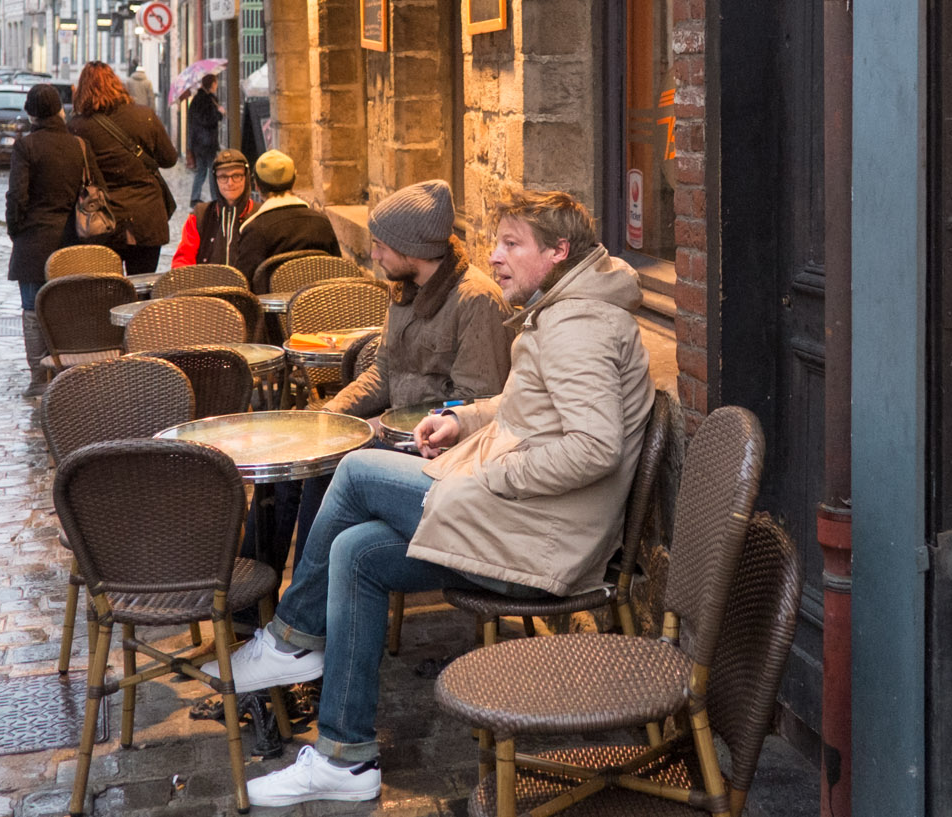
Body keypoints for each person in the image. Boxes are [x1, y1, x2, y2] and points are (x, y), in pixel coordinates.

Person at [209, 191, 654, 807]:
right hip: (525, 523)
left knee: (358, 469)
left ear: (558, 252)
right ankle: (344, 756)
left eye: (511, 244)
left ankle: (291, 639)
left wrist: (487, 478)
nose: (494, 257)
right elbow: (529, 405)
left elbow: (593, 450)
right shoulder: (564, 310)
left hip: (542, 544)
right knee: (357, 551)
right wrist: (465, 421)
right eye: (496, 241)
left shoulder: (578, 325)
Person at [277, 179, 515, 558]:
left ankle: (310, 598)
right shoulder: (405, 288)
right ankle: (251, 601)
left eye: (382, 246)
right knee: (293, 458)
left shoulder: (476, 301)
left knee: (326, 466)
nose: (374, 255)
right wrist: (331, 415)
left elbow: (474, 403)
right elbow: (382, 372)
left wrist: (379, 428)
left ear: (413, 251)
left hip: (434, 445)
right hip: (394, 428)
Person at [4, 84, 105, 397]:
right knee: (67, 307)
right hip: (73, 240)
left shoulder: (26, 147)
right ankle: (69, 375)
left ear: (31, 113)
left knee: (33, 311)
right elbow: (97, 188)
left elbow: (17, 196)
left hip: (34, 241)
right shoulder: (80, 145)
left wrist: (16, 229)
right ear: (60, 109)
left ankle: (39, 379)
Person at [68, 61, 179, 275]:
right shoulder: (144, 116)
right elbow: (169, 159)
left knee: (110, 288)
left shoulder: (77, 126)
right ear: (117, 84)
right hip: (147, 216)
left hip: (103, 218)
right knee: (143, 286)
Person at [231, 150, 341, 284]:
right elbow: (338, 270)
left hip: (271, 305)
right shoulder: (322, 222)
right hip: (321, 302)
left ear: (257, 186)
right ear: (294, 180)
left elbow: (242, 283)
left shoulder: (255, 230)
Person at [170, 149, 254, 267]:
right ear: (215, 180)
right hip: (206, 284)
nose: (230, 183)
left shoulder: (259, 215)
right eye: (223, 177)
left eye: (237, 176)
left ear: (246, 177)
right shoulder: (201, 215)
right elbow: (183, 258)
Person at [186, 73, 224, 207]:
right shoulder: (208, 100)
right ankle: (215, 198)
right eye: (216, 83)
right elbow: (209, 120)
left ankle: (195, 198)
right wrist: (220, 113)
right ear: (212, 84)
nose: (217, 86)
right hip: (208, 142)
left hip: (197, 143)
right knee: (212, 170)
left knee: (201, 170)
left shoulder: (196, 99)